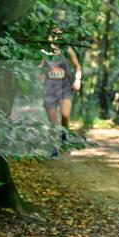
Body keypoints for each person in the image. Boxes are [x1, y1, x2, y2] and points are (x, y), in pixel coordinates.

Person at [41, 28, 81, 157]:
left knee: (64, 115)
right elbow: (40, 68)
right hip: (50, 88)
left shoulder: (67, 50)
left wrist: (78, 80)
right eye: (53, 35)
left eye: (58, 35)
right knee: (52, 120)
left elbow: (78, 67)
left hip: (65, 87)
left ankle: (64, 138)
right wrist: (40, 74)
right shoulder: (44, 52)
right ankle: (53, 147)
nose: (56, 37)